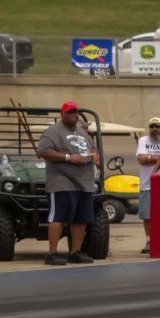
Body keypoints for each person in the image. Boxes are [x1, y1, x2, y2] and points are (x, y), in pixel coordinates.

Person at [35, 100, 99, 266]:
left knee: (80, 218)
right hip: (62, 181)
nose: (72, 115)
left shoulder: (81, 131)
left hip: (84, 182)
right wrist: (68, 157)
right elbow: (42, 151)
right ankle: (52, 253)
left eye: (75, 112)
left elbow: (92, 148)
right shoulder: (53, 131)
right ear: (62, 114)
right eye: (69, 112)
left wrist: (95, 154)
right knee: (57, 217)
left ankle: (75, 252)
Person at [135, 116, 160, 255]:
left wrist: (149, 158)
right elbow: (141, 159)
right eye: (152, 126)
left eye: (157, 126)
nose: (154, 129)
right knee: (147, 216)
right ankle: (149, 240)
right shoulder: (143, 140)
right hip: (147, 184)